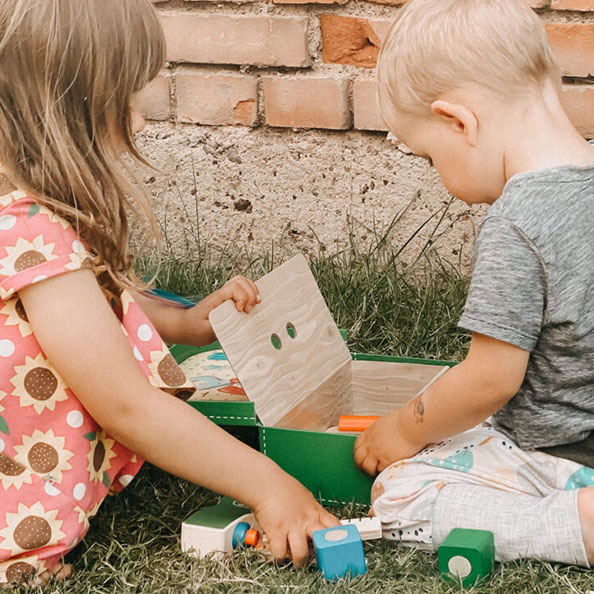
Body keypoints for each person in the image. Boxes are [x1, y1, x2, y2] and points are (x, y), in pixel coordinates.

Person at [0, 0, 337, 584]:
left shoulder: (28, 213)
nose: (141, 118)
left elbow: (90, 316)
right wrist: (270, 484)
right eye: (130, 97)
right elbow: (127, 406)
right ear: (74, 108)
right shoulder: (33, 231)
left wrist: (185, 326)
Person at [354, 0, 594, 567]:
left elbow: (490, 381)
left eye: (429, 155)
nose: (439, 175)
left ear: (460, 122)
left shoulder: (517, 222)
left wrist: (403, 430)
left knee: (400, 494)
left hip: (555, 453)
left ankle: (573, 523)